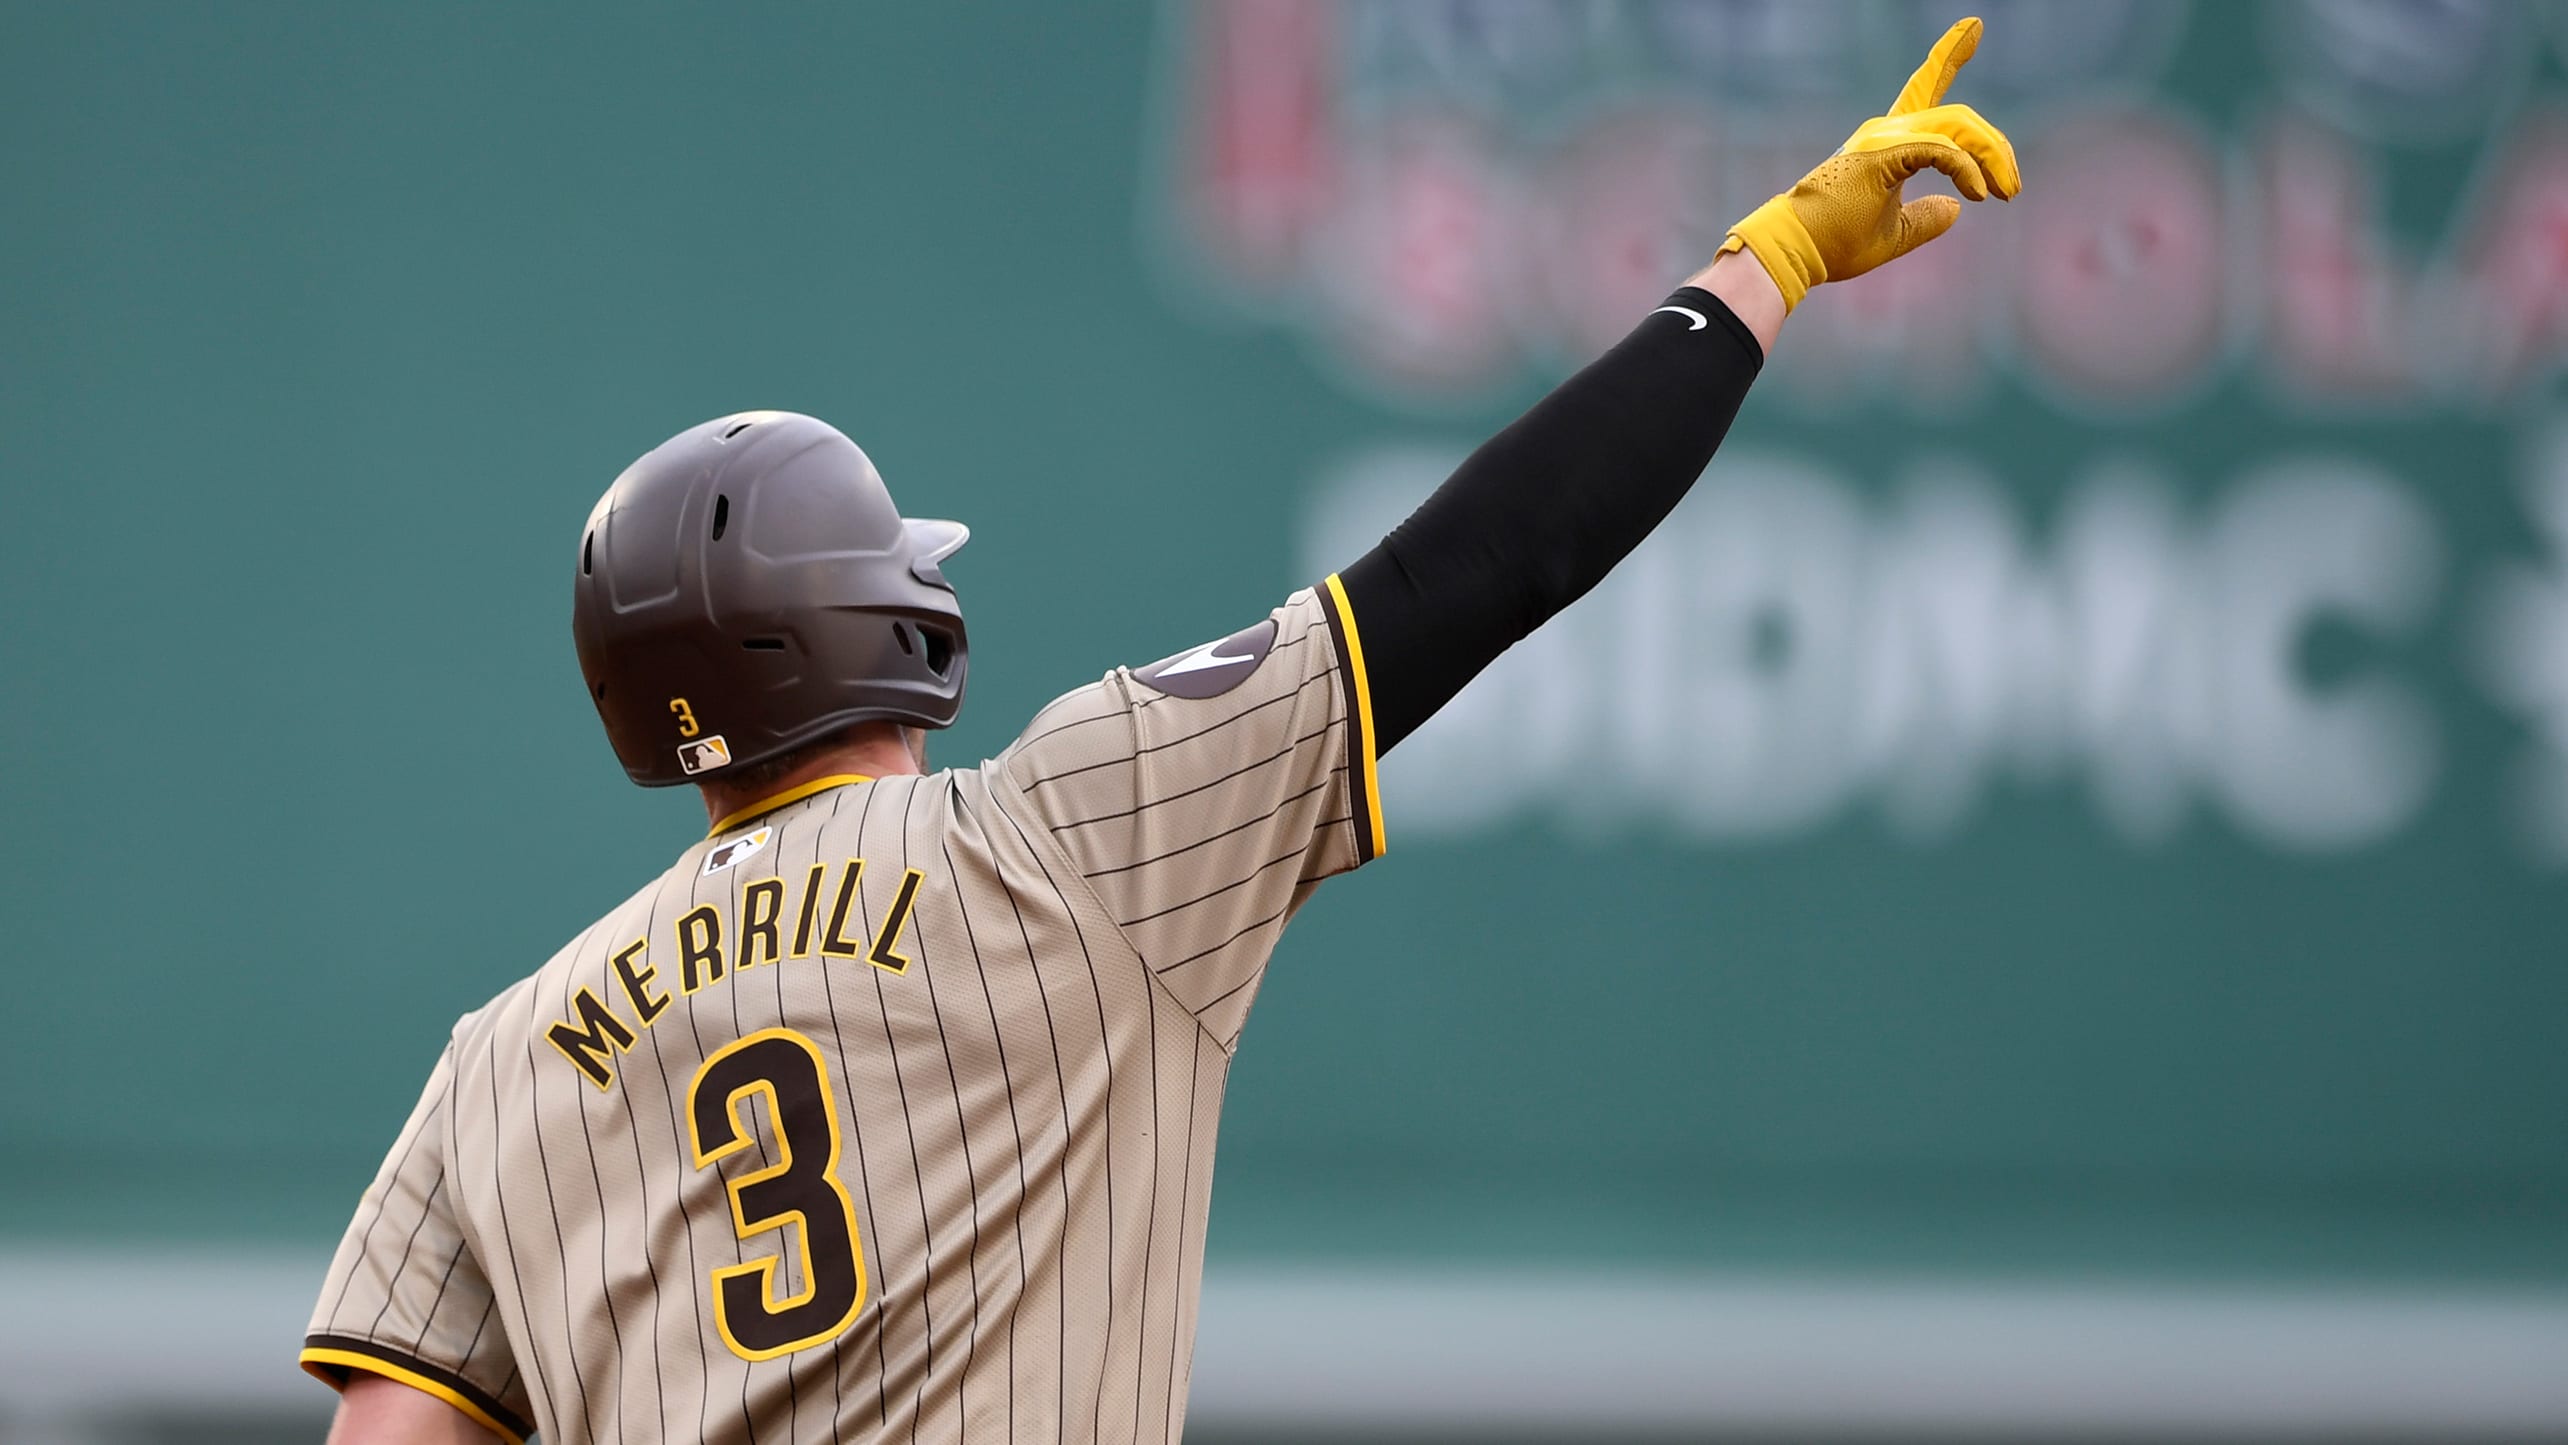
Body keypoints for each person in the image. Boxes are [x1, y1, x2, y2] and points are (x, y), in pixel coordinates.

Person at [299, 17, 2018, 1443]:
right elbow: (1491, 560)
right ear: (889, 624)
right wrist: (1770, 259)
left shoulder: (499, 1063)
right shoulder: (1070, 838)